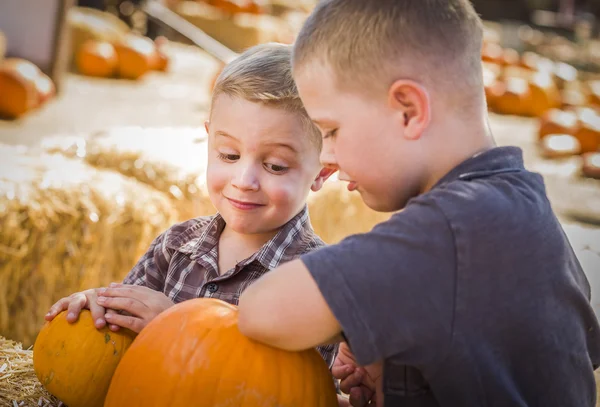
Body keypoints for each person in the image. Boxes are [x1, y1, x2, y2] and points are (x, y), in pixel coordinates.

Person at [236, 1, 600, 406]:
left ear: (408, 111)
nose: (326, 155)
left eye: (332, 130)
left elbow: (262, 311)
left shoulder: (450, 229)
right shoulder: (527, 208)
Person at [45, 42, 338, 368]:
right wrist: (96, 312)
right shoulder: (175, 246)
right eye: (229, 155)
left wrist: (178, 326)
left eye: (275, 166)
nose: (243, 180)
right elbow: (120, 336)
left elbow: (294, 391)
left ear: (323, 169)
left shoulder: (317, 284)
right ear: (209, 139)